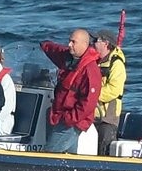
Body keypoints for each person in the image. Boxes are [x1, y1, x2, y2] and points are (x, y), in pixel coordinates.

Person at [40, 28, 102, 154]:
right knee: (67, 158)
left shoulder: (90, 70)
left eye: (73, 42)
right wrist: (43, 44)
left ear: (85, 44)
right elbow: (54, 50)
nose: (69, 45)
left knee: (49, 153)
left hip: (71, 122)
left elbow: (88, 103)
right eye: (69, 41)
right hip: (60, 116)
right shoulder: (68, 58)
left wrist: (69, 119)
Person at [92, 29, 126, 157]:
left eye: (96, 41)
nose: (93, 43)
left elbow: (114, 89)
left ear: (105, 43)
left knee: (104, 148)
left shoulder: (116, 64)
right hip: (90, 114)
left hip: (107, 117)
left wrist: (92, 95)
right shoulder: (94, 61)